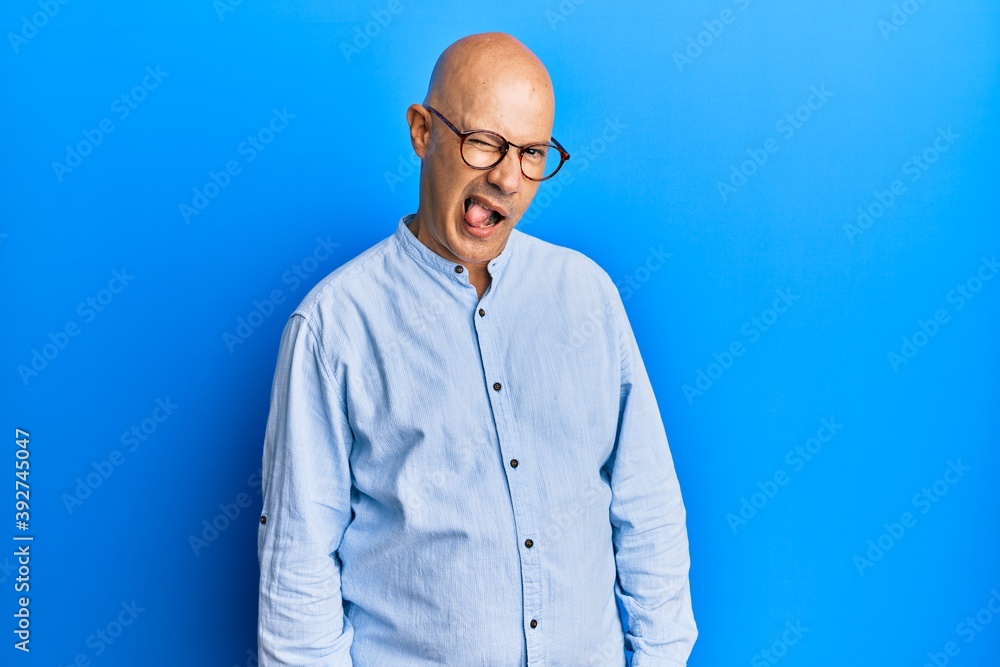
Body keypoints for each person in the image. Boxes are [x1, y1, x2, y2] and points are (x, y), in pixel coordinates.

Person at [257, 31, 697, 667]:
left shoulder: (588, 297)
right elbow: (297, 571)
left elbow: (649, 510)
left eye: (532, 153)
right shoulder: (334, 326)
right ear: (422, 131)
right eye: (484, 141)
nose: (507, 178)